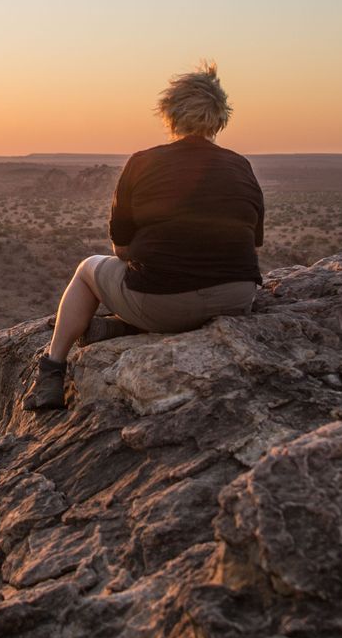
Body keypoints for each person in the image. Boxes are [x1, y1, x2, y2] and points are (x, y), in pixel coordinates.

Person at [22, 62, 264, 411]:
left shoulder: (143, 163)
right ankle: (124, 328)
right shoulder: (241, 165)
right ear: (219, 117)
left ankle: (52, 370)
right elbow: (253, 242)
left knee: (89, 268)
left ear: (170, 113)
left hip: (161, 303)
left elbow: (120, 249)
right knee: (167, 293)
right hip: (237, 299)